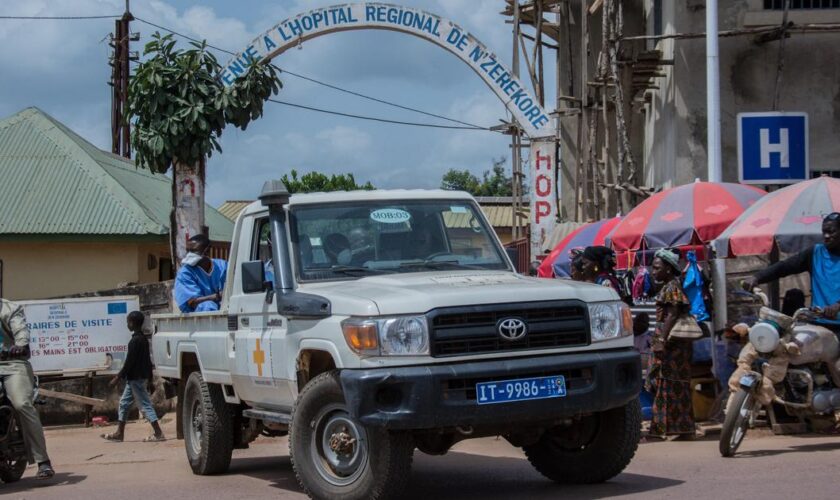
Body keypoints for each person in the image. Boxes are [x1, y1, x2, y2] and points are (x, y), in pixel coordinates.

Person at [744, 213, 840, 320]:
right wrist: (757, 277)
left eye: (831, 232)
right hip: (819, 322)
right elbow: (785, 267)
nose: (826, 236)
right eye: (824, 232)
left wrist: (837, 305)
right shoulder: (815, 253)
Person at [0, 298, 54, 479]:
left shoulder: (9, 308)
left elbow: (21, 331)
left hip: (12, 363)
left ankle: (43, 461)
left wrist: (20, 345)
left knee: (22, 404)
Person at [648, 249, 696, 440]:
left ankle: (662, 430)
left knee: (666, 384)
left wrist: (661, 341)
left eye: (656, 268)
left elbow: (672, 314)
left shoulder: (672, 287)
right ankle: (682, 429)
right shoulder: (670, 286)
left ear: (668, 268)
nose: (653, 271)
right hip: (670, 341)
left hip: (670, 343)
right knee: (669, 385)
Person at [102, 311, 164, 442]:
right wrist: (150, 380)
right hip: (136, 379)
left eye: (127, 322)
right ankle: (119, 433)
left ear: (132, 323)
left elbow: (129, 363)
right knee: (124, 404)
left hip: (136, 379)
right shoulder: (143, 340)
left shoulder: (134, 342)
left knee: (145, 405)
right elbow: (148, 362)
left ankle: (158, 433)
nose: (127, 324)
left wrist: (117, 378)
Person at [173, 234, 228, 313]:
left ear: (207, 251)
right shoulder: (185, 273)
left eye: (194, 251)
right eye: (188, 250)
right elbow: (191, 302)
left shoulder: (223, 266)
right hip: (200, 316)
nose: (189, 254)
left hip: (226, 310)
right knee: (207, 305)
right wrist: (215, 297)